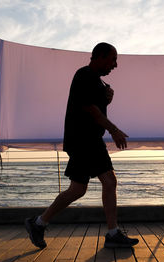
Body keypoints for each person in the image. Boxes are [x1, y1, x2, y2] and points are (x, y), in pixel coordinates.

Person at [25, 42, 139, 249]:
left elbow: (95, 108)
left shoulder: (95, 81)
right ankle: (112, 234)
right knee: (109, 181)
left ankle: (38, 223)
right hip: (84, 140)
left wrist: (107, 101)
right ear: (101, 57)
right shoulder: (85, 75)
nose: (115, 65)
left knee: (78, 189)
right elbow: (91, 111)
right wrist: (114, 130)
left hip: (84, 140)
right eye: (113, 59)